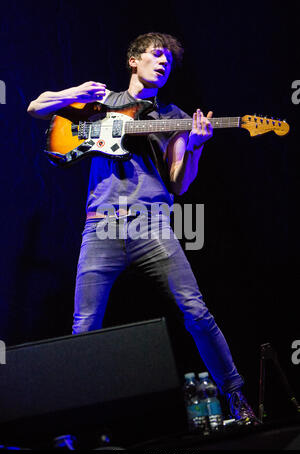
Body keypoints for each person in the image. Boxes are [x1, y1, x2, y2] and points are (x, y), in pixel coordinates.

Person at [27, 32, 259, 425]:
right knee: (84, 328)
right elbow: (35, 107)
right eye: (156, 55)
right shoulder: (102, 101)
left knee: (196, 311)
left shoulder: (174, 116)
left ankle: (237, 399)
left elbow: (178, 183)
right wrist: (76, 91)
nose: (164, 62)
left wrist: (197, 145)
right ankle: (73, 424)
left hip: (152, 225)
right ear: (133, 60)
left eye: (169, 59)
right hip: (100, 227)